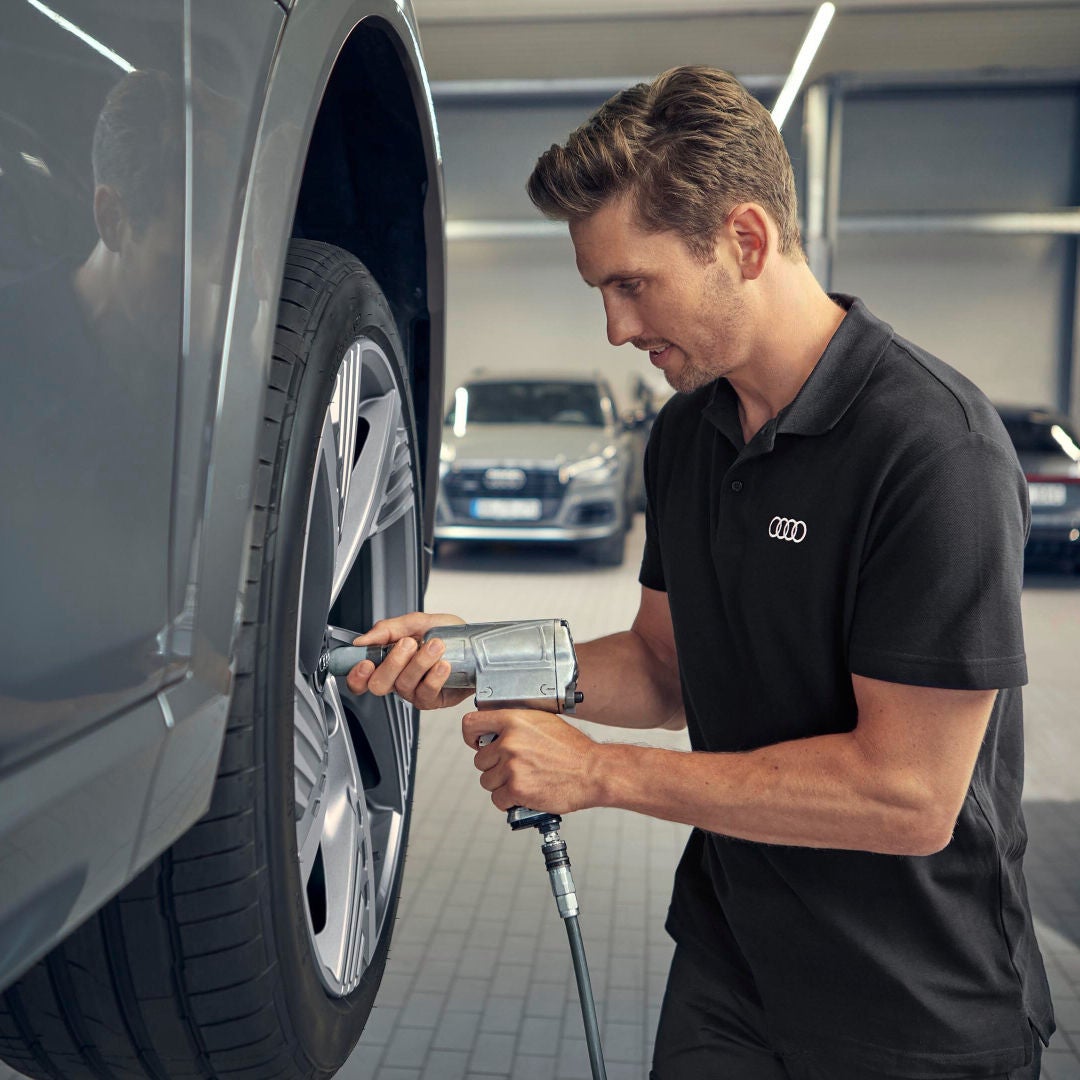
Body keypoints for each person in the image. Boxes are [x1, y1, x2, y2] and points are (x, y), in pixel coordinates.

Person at [340, 67, 1054, 1078]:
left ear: (745, 242)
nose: (617, 330)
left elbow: (908, 795)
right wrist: (472, 659)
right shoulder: (688, 435)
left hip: (915, 1010)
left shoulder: (934, 449)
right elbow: (663, 669)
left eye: (633, 283)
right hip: (729, 973)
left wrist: (597, 774)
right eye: (601, 292)